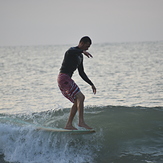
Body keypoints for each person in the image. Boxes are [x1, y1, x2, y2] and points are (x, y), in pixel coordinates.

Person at [57, 36, 96, 130]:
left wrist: (91, 84)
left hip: (66, 79)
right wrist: (82, 51)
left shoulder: (80, 56)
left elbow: (81, 73)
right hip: (63, 78)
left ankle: (68, 125)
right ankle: (81, 122)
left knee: (77, 101)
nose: (87, 49)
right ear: (81, 43)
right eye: (86, 46)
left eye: (89, 47)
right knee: (81, 97)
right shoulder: (71, 51)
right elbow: (71, 51)